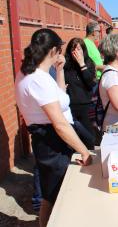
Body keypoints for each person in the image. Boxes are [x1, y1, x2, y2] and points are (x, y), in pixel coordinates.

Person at [15, 29, 92, 227]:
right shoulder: (38, 80)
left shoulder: (31, 73)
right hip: (53, 142)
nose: (61, 53)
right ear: (52, 50)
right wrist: (83, 151)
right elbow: (59, 123)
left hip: (47, 140)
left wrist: (59, 71)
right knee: (61, 195)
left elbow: (59, 95)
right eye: (59, 49)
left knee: (50, 195)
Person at [64, 38, 97, 148]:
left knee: (88, 138)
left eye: (79, 49)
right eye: (73, 49)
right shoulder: (66, 65)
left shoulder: (89, 63)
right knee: (73, 140)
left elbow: (90, 83)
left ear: (83, 50)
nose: (76, 52)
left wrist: (82, 64)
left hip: (86, 106)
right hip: (70, 106)